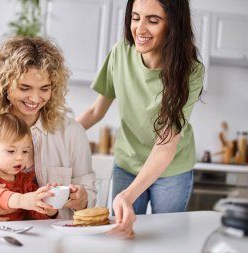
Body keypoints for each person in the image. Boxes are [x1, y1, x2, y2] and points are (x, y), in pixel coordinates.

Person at [77, 0, 204, 238]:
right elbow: (96, 111)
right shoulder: (120, 53)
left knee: (165, 237)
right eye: (135, 18)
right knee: (122, 234)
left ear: (174, 25)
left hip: (172, 169)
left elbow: (166, 143)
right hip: (128, 161)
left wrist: (128, 194)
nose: (140, 29)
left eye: (153, 21)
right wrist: (53, 133)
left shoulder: (190, 71)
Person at [0, 36, 97, 223]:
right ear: (5, 85)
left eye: (44, 89)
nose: (35, 98)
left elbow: (91, 198)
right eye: (25, 88)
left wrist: (83, 200)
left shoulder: (71, 132)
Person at [0, 113, 58, 223]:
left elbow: (34, 214)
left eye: (25, 151)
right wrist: (20, 200)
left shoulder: (25, 182)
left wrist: (48, 208)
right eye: (11, 151)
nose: (20, 157)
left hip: (9, 235)